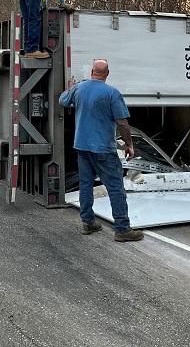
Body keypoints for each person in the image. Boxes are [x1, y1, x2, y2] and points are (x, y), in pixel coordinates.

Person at [59, 59, 144, 242]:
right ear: (107, 73)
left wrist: (70, 88)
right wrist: (129, 144)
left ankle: (88, 222)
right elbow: (121, 121)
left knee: (86, 185)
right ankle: (122, 229)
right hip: (103, 148)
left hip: (82, 145)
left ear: (91, 72)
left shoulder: (79, 89)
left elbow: (63, 101)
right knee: (115, 187)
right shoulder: (111, 93)